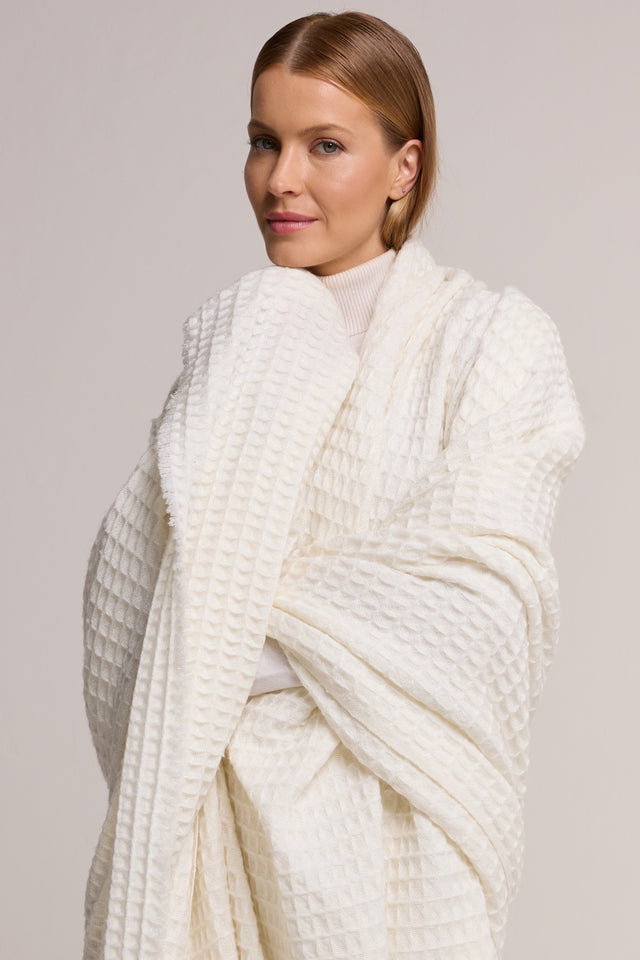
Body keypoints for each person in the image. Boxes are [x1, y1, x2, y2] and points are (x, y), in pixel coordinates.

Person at [81, 11, 586, 960]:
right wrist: (289, 633)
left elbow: (478, 607)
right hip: (214, 847)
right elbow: (127, 599)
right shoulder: (233, 350)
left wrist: (220, 636)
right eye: (262, 142)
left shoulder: (489, 342)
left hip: (399, 857)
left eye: (325, 146)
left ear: (404, 166)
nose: (281, 179)